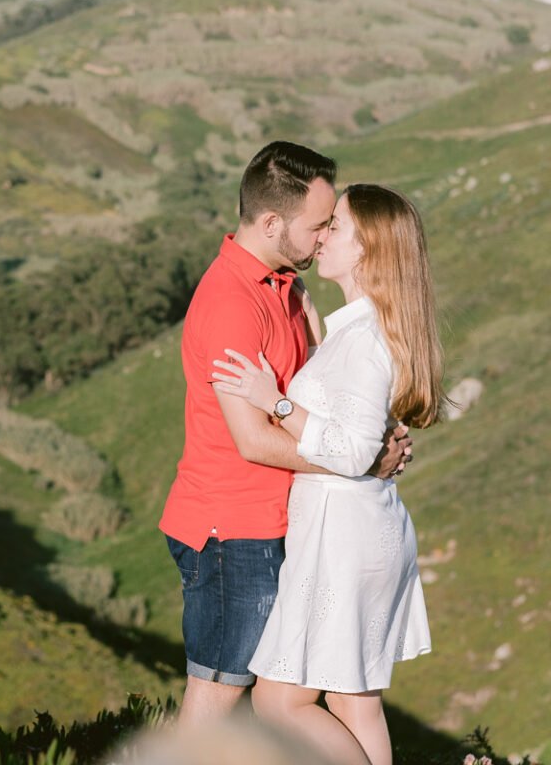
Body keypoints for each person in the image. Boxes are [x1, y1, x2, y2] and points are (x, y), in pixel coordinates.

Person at [159, 142, 412, 725]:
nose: (323, 238)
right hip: (232, 530)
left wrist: (373, 431)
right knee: (218, 699)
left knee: (276, 700)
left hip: (277, 524)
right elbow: (252, 440)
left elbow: (324, 398)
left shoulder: (284, 289)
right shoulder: (232, 302)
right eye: (318, 225)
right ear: (272, 223)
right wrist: (362, 459)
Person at [211, 184, 443, 765]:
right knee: (352, 701)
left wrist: (276, 401)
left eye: (335, 226)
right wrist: (316, 329)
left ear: (367, 250)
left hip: (340, 538)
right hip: (358, 528)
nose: (321, 237)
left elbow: (351, 449)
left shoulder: (364, 341)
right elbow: (351, 414)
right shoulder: (360, 330)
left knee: (278, 703)